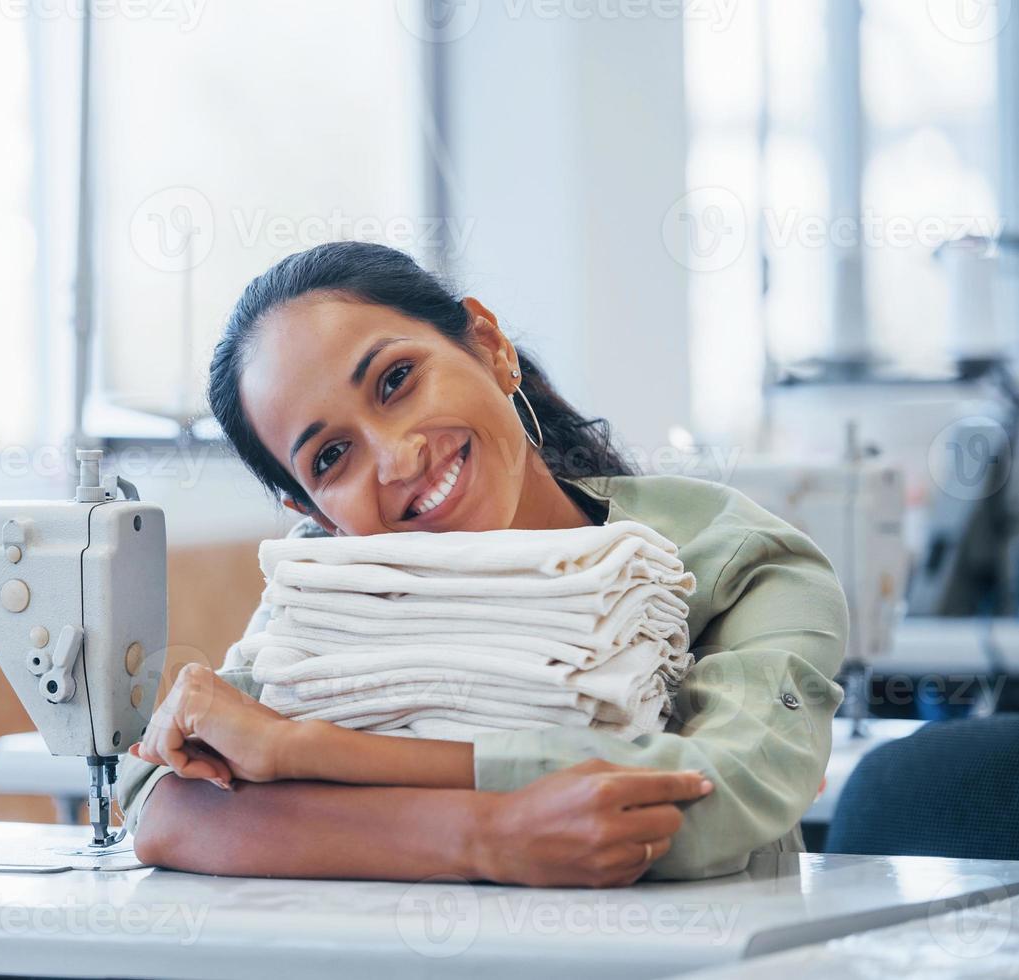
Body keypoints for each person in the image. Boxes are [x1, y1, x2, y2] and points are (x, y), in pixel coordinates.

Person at [119, 241, 849, 886]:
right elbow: (165, 806)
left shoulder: (734, 560)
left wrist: (303, 750)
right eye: (332, 456)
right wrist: (480, 836)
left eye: (395, 380)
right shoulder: (333, 583)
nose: (399, 457)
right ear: (313, 514)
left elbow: (717, 795)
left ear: (489, 344)